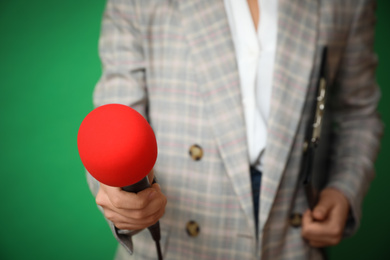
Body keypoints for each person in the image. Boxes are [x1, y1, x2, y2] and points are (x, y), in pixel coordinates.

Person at [87, 0, 383, 259]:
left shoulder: (347, 3)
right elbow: (114, 124)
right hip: (177, 239)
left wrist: (343, 190)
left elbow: (358, 113)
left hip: (294, 238)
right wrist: (122, 198)